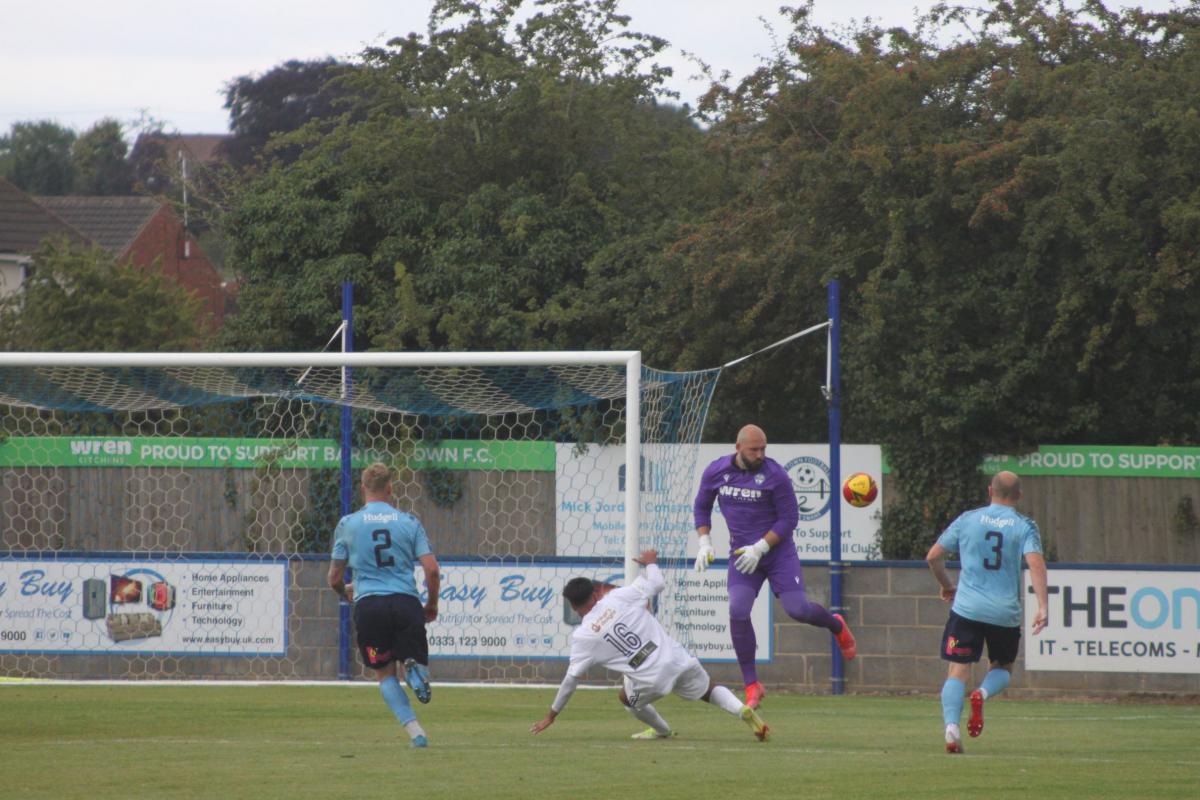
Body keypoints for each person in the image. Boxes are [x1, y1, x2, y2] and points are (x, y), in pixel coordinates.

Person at [530, 548, 770, 742]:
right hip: (676, 657)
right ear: (595, 594)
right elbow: (657, 584)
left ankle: (662, 730)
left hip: (652, 678)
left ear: (573, 607)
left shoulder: (583, 637)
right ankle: (742, 709)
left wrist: (552, 715)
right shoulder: (617, 597)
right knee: (708, 689)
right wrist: (651, 563)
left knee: (626, 698)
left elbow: (570, 681)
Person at [693, 424, 856, 708]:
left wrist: (761, 547)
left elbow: (789, 519)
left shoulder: (775, 475)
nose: (760, 454)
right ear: (738, 448)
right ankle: (752, 685)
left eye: (763, 449)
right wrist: (704, 542)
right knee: (738, 609)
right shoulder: (716, 471)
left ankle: (836, 624)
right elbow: (701, 506)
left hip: (777, 554)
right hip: (743, 555)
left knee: (798, 610)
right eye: (754, 449)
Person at [926, 470, 1049, 754]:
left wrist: (946, 585)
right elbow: (1036, 564)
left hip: (967, 608)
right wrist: (1043, 606)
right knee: (1002, 667)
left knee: (958, 670)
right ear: (1019, 495)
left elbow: (933, 557)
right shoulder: (1025, 525)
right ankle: (981, 693)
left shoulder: (968, 519)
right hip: (1004, 613)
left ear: (989, 491)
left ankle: (951, 729)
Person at [328, 462, 441, 748]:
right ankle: (413, 668)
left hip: (370, 608)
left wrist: (345, 592)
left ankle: (416, 734)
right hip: (405, 604)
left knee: (384, 674)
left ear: (362, 488)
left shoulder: (348, 524)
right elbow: (432, 570)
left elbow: (334, 578)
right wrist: (431, 604)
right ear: (390, 489)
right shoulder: (409, 522)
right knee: (415, 661)